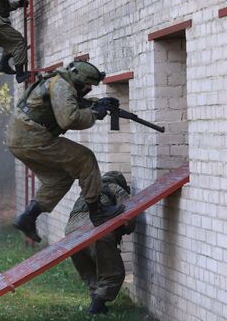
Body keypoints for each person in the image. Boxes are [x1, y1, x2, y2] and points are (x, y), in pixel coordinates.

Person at [9, 61, 124, 242]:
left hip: (20, 138)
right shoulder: (62, 86)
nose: (88, 90)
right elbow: (68, 119)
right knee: (85, 159)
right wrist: (94, 113)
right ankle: (98, 212)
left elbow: (70, 104)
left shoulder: (59, 81)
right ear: (78, 81)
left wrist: (97, 103)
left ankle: (28, 217)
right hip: (31, 138)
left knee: (60, 179)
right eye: (88, 86)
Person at [65, 171, 136, 315]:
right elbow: (129, 216)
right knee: (114, 272)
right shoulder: (116, 189)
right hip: (97, 230)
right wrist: (127, 229)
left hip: (71, 233)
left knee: (89, 270)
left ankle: (97, 302)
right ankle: (97, 305)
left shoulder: (89, 189)